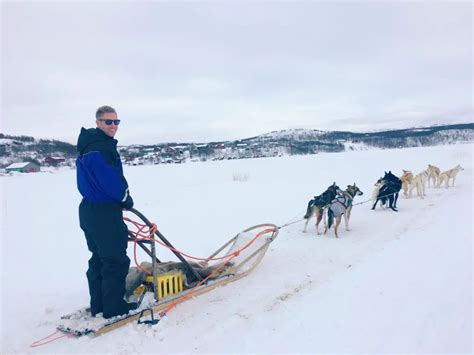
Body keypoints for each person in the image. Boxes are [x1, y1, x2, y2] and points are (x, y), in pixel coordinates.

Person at [76, 105, 137, 318]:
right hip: (103, 211)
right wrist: (124, 197)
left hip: (90, 210)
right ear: (98, 123)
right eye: (108, 122)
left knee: (100, 258)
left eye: (116, 122)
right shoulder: (100, 147)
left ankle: (99, 304)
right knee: (114, 260)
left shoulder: (88, 144)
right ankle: (113, 308)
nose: (113, 126)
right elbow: (109, 181)